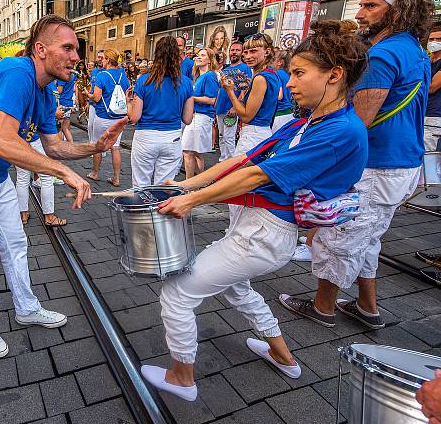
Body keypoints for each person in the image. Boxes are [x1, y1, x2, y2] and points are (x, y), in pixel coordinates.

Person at [141, 20, 370, 402]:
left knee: (177, 292)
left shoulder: (342, 130)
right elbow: (242, 160)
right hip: (258, 229)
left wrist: (191, 200)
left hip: (265, 235)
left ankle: (183, 377)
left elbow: (256, 176)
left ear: (335, 75)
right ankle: (282, 356)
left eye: (299, 73)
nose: (289, 82)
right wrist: (181, 185)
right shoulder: (307, 120)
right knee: (236, 286)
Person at [0, 14, 126, 358]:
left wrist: (94, 147)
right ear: (40, 49)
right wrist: (63, 173)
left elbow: (54, 147)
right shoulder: (17, 73)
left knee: (15, 242)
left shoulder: (45, 91)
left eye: (77, 49)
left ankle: (26, 307)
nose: (76, 56)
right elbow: (2, 141)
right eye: (67, 47)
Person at [279, 0, 431, 329]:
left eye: (371, 5)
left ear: (399, 10)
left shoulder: (383, 54)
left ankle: (323, 308)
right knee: (368, 235)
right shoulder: (414, 49)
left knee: (340, 237)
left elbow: (356, 124)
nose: (360, 13)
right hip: (401, 163)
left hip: (376, 165)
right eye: (362, 4)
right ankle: (367, 306)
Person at [127, 36, 194, 187]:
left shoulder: (144, 80)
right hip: (172, 138)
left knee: (140, 185)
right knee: (163, 187)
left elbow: (135, 117)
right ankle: (160, 211)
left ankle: (141, 210)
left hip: (146, 136)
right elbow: (188, 119)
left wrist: (128, 102)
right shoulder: (187, 83)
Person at [222, 33, 279, 154]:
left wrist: (230, 92)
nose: (248, 56)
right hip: (261, 132)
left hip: (253, 135)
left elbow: (247, 116)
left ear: (267, 51)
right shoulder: (270, 74)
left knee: (236, 171)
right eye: (246, 52)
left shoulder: (261, 78)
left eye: (253, 51)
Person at [87, 48, 130, 187]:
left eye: (103, 59)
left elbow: (97, 97)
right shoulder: (123, 75)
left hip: (103, 115)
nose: (102, 61)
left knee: (98, 145)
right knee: (115, 147)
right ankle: (116, 178)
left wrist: (89, 94)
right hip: (119, 117)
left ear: (107, 60)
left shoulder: (102, 75)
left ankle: (95, 173)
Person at [182, 48, 220, 178]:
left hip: (201, 117)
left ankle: (191, 184)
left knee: (190, 152)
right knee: (193, 152)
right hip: (196, 116)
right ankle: (197, 183)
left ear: (210, 60)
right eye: (198, 55)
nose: (198, 57)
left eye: (202, 55)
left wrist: (191, 97)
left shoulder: (210, 76)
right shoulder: (198, 77)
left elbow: (212, 99)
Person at [215, 41, 251, 161]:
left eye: (237, 50)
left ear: (241, 53)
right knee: (221, 136)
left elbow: (245, 90)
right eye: (232, 50)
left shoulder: (244, 68)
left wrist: (236, 107)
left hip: (231, 108)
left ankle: (229, 163)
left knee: (229, 137)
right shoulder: (226, 69)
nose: (234, 52)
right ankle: (222, 159)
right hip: (220, 107)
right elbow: (221, 88)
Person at [423, 24, 441, 152]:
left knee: (430, 156)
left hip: (434, 117)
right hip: (421, 114)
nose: (434, 42)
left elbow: (431, 87)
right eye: (431, 39)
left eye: (439, 39)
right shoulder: (426, 60)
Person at [272, 49, 295, 131]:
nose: (272, 62)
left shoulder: (277, 74)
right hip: (289, 114)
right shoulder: (288, 75)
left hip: (279, 115)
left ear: (279, 62)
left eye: (274, 59)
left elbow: (279, 96)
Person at [55, 70, 76, 142]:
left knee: (59, 128)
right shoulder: (72, 75)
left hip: (61, 102)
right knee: (66, 128)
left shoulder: (62, 77)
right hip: (69, 102)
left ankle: (61, 147)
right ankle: (72, 146)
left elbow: (59, 91)